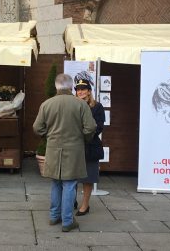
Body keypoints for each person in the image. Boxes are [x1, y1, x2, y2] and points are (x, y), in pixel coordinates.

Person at [33, 74, 96, 232]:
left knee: (56, 182)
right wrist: (83, 138)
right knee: (69, 184)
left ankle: (54, 216)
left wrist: (49, 136)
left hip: (53, 148)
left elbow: (37, 127)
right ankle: (67, 221)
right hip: (74, 148)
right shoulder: (80, 104)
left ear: (56, 86)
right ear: (70, 86)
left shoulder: (47, 104)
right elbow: (90, 127)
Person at [74, 79, 105, 216]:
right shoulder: (72, 105)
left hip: (90, 146)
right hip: (74, 145)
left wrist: (82, 134)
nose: (80, 91)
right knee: (71, 176)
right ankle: (71, 200)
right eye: (78, 89)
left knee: (88, 177)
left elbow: (98, 127)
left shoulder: (97, 107)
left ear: (89, 91)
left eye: (83, 88)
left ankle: (85, 205)